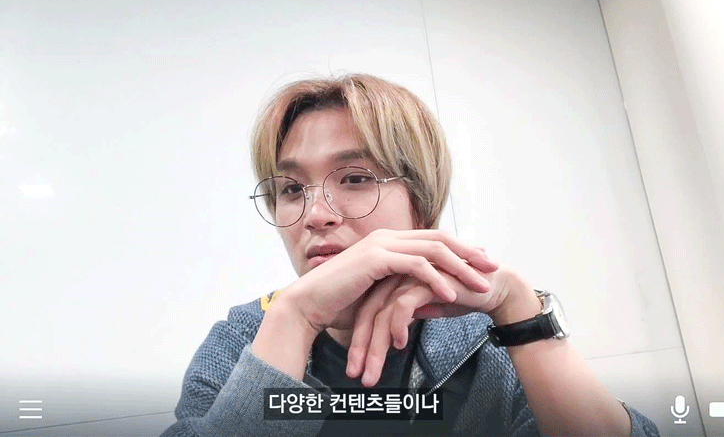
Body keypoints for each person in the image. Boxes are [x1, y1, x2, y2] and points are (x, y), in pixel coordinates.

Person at [162, 73, 660, 437]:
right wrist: (294, 317)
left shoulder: (480, 342)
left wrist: (519, 311)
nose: (315, 214)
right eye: (291, 189)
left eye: (354, 178)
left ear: (420, 205)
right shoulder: (242, 341)